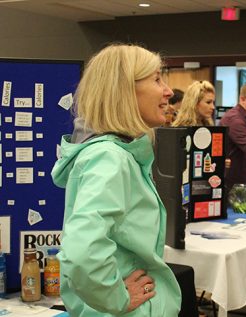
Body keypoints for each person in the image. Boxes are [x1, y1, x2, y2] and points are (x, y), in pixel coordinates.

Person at [51, 44, 181, 316]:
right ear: (124, 90)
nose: (168, 90)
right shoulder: (110, 158)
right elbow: (83, 253)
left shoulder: (117, 154)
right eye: (157, 79)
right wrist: (116, 298)